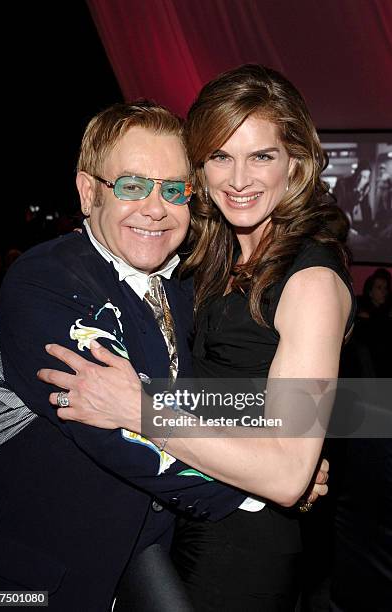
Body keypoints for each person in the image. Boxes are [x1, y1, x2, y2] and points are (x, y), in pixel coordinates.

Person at [38, 65, 353, 611]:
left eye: (262, 156)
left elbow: (284, 474)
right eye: (220, 157)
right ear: (198, 167)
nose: (239, 179)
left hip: (241, 549)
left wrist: (141, 409)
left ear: (295, 163)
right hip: (172, 519)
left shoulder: (312, 283)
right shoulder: (209, 252)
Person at [0, 101, 273, 612]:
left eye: (173, 189)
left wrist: (305, 435)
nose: (156, 208)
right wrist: (267, 479)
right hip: (36, 578)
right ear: (87, 191)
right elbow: (127, 439)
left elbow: (205, 397)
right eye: (132, 185)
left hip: (140, 558)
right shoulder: (49, 281)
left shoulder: (185, 286)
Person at [334, 160, 372, 235]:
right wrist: (357, 190)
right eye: (359, 176)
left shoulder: (365, 188)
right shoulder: (342, 184)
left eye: (364, 177)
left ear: (368, 180)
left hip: (356, 226)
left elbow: (366, 210)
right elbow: (340, 207)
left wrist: (369, 231)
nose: (361, 180)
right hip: (341, 222)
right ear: (355, 174)